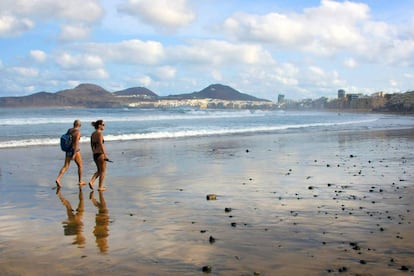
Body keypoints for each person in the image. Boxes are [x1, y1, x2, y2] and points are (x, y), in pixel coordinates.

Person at [56, 120, 85, 188]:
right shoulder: (78, 132)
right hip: (75, 150)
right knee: (80, 165)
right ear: (80, 125)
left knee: (65, 166)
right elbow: (76, 143)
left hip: (68, 150)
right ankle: (80, 181)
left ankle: (58, 179)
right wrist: (74, 154)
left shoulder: (69, 130)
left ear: (73, 124)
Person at [89, 120, 108, 191]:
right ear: (99, 125)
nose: (104, 126)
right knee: (103, 171)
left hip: (95, 154)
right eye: (103, 124)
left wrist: (93, 151)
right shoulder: (100, 134)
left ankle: (91, 181)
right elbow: (101, 144)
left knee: (99, 170)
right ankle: (100, 186)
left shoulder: (93, 134)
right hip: (100, 154)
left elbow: (91, 144)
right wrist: (105, 154)